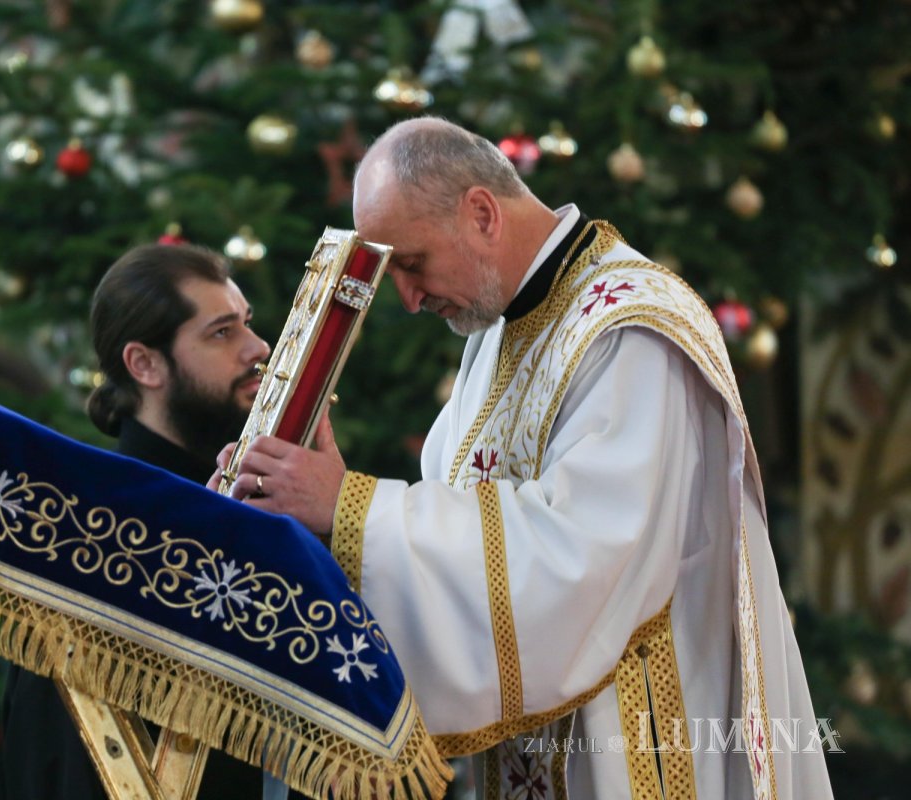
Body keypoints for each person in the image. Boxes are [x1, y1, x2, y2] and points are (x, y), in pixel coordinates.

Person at [217, 118, 834, 798]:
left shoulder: (628, 329)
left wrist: (352, 507)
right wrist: (319, 512)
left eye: (413, 264)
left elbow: (578, 561)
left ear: (481, 213)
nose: (410, 298)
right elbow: (452, 520)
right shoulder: (502, 329)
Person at [1, 243, 311, 800]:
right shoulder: (96, 537)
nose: (258, 348)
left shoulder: (262, 502)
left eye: (247, 323)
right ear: (144, 364)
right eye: (221, 332)